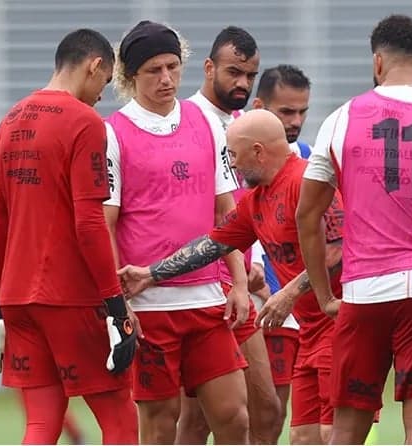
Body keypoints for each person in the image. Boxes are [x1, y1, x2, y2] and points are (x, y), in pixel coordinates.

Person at [297, 14, 412, 444]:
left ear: (377, 62)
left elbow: (307, 213)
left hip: (363, 294)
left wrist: (324, 296)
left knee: (346, 429)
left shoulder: (341, 119)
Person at [119, 109, 344, 445]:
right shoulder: (257, 200)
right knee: (302, 438)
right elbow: (212, 244)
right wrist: (150, 275)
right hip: (311, 332)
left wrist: (289, 293)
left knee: (336, 434)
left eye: (234, 154)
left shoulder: (308, 182)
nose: (232, 165)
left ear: (258, 151)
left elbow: (338, 251)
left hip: (341, 327)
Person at [0, 28, 138, 444]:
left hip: (18, 298)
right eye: (105, 83)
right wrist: (114, 304)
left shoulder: (10, 120)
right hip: (69, 295)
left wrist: (1, 303)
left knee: (41, 423)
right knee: (120, 418)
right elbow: (89, 221)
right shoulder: (85, 122)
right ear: (95, 66)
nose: (102, 95)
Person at [104, 20, 249, 444]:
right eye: (153, 70)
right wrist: (117, 305)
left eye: (172, 66)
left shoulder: (206, 124)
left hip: (207, 300)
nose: (166, 78)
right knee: (160, 424)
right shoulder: (113, 132)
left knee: (234, 416)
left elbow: (228, 212)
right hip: (148, 308)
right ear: (130, 76)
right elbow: (105, 224)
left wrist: (237, 282)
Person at [186, 25, 284, 445]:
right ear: (209, 68)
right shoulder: (186, 120)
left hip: (240, 285)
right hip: (201, 287)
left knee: (264, 406)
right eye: (233, 72)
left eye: (250, 74)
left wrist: (255, 263)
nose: (242, 83)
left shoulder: (247, 126)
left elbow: (253, 203)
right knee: (202, 417)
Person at [250, 63, 314, 439]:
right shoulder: (241, 159)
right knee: (230, 412)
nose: (296, 120)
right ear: (260, 107)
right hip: (250, 297)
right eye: (286, 111)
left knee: (275, 413)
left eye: (302, 111)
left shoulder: (307, 157)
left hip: (288, 305)